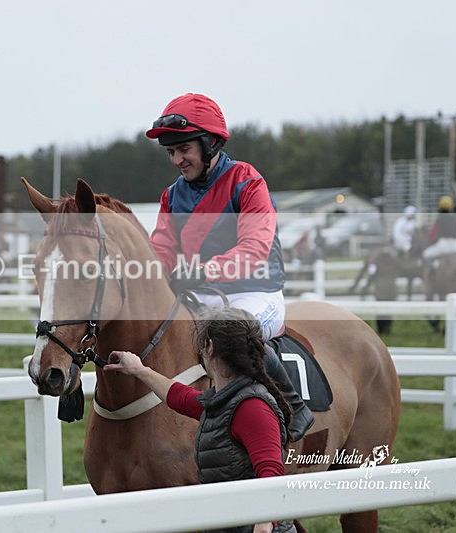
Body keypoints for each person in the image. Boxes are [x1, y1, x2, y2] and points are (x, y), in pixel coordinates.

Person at [146, 93, 313, 441]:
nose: (177, 159)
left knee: (230, 332)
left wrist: (202, 271)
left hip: (255, 293)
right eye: (171, 152)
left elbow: (253, 249)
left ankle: (295, 407)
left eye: (184, 149)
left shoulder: (248, 182)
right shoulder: (171, 195)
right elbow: (161, 249)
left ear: (209, 144)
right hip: (202, 296)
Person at [105, 306, 295, 533]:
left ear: (210, 347)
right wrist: (140, 370)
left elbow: (271, 472)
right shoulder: (225, 399)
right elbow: (182, 398)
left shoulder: (252, 406)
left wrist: (264, 525)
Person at [422, 195, 456, 262]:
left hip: (443, 245)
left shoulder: (439, 219)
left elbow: (431, 236)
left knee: (425, 255)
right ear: (451, 207)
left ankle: (433, 269)